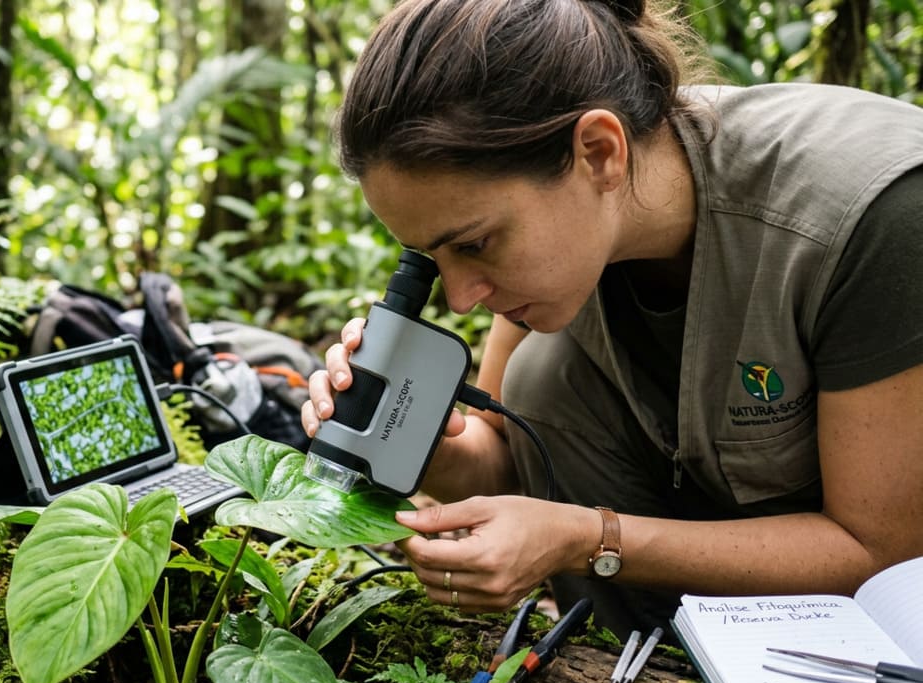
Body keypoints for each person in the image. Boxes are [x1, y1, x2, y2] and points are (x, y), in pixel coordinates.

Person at [301, 0, 923, 638]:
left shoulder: (872, 216)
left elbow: (884, 556)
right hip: (691, 608)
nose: (461, 298)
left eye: (476, 244)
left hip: (879, 632)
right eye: (433, 258)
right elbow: (512, 464)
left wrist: (589, 538)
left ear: (600, 152)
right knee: (540, 376)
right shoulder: (573, 232)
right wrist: (418, 440)